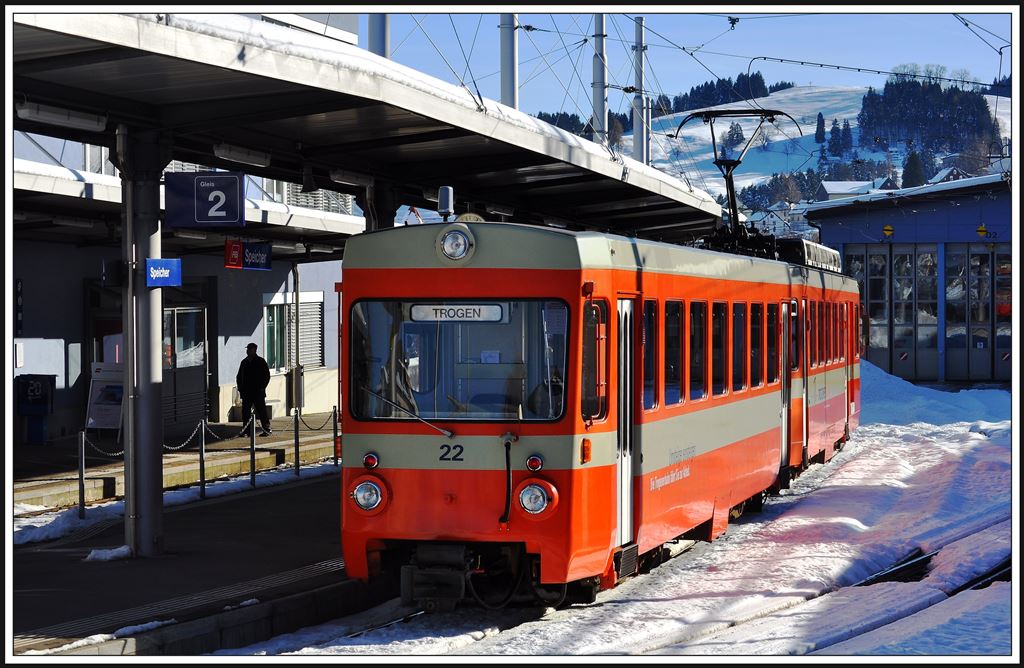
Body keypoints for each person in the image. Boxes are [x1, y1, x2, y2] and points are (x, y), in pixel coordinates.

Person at [236, 342, 272, 437]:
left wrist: (262, 387)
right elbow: (239, 376)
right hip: (247, 392)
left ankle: (266, 428)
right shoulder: (244, 362)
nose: (247, 351)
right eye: (247, 349)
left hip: (258, 392)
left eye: (249, 349)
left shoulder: (260, 361)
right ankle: (246, 430)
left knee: (261, 411)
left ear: (254, 350)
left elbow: (266, 376)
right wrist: (241, 389)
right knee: (245, 412)